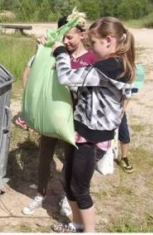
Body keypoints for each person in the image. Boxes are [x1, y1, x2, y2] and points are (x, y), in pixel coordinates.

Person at [50, 16, 136, 232]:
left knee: (80, 188)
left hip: (92, 138)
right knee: (67, 181)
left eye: (93, 43)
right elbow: (84, 88)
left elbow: (66, 77)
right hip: (81, 131)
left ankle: (90, 231)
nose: (90, 48)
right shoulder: (108, 65)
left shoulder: (112, 66)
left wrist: (60, 52)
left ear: (109, 40)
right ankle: (77, 224)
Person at [22, 14, 95, 219]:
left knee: (69, 162)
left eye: (70, 37)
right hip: (51, 116)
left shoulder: (90, 59)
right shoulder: (56, 52)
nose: (66, 42)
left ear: (82, 35)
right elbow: (36, 73)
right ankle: (40, 194)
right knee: (44, 157)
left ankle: (66, 197)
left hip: (75, 121)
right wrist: (42, 49)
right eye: (64, 37)